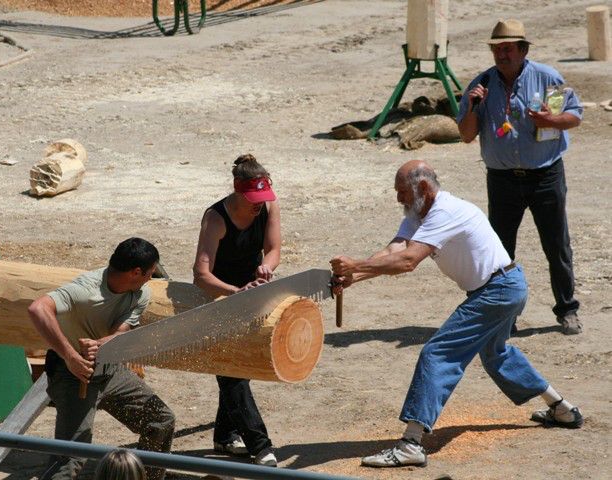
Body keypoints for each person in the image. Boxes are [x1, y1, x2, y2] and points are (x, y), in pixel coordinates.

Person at [330, 160, 583, 468]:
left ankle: (411, 443)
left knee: (438, 353)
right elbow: (394, 251)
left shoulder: (444, 212)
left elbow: (409, 261)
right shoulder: (418, 212)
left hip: (498, 290)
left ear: (422, 188)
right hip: (505, 287)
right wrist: (354, 277)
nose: (399, 199)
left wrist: (355, 265)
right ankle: (561, 408)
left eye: (401, 192)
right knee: (497, 354)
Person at [457, 19, 583, 335]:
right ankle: (503, 317)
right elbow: (466, 135)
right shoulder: (481, 85)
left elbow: (575, 115)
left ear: (523, 50)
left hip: (545, 176)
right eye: (497, 48)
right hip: (502, 180)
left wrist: (550, 119)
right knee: (499, 251)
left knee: (557, 245)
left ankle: (567, 310)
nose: (502, 54)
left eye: (508, 48)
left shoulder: (548, 77)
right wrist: (474, 106)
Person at [28, 238, 175, 480]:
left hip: (109, 371)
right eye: (151, 273)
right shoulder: (85, 290)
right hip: (72, 375)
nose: (152, 278)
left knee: (159, 420)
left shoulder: (140, 294)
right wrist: (71, 356)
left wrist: (100, 344)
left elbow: (118, 333)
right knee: (70, 460)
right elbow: (38, 309)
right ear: (136, 272)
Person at [192, 153, 281, 467]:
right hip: (219, 295)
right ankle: (261, 445)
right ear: (238, 191)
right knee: (232, 371)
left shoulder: (268, 206)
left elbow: (272, 250)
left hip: (252, 293)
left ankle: (224, 435)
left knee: (239, 365)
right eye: (253, 199)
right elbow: (201, 274)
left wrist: (265, 269)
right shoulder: (215, 218)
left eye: (262, 198)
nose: (259, 204)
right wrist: (233, 292)